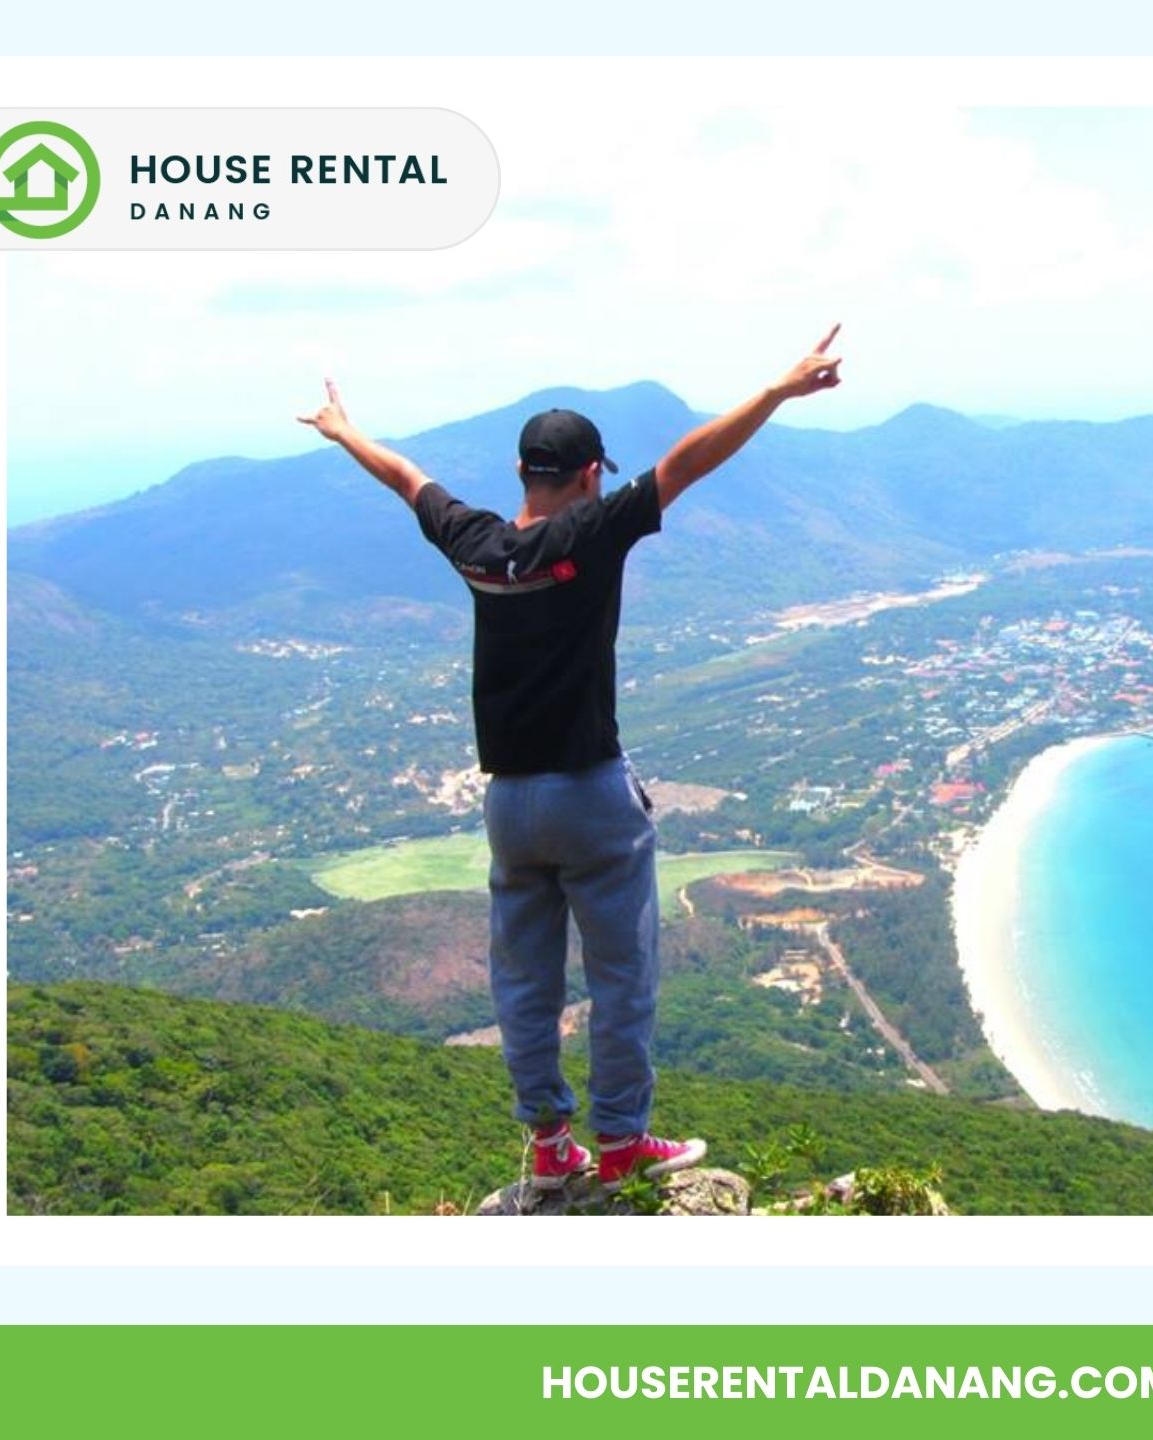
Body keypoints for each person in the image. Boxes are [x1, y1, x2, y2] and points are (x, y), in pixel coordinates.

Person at [297, 327, 843, 1193]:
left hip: (509, 806)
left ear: (522, 475)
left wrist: (341, 429)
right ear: (589, 475)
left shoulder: (474, 543)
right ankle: (623, 1139)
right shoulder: (589, 534)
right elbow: (689, 462)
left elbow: (407, 480)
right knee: (622, 973)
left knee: (525, 978)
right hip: (590, 795)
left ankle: (550, 1145)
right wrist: (777, 390)